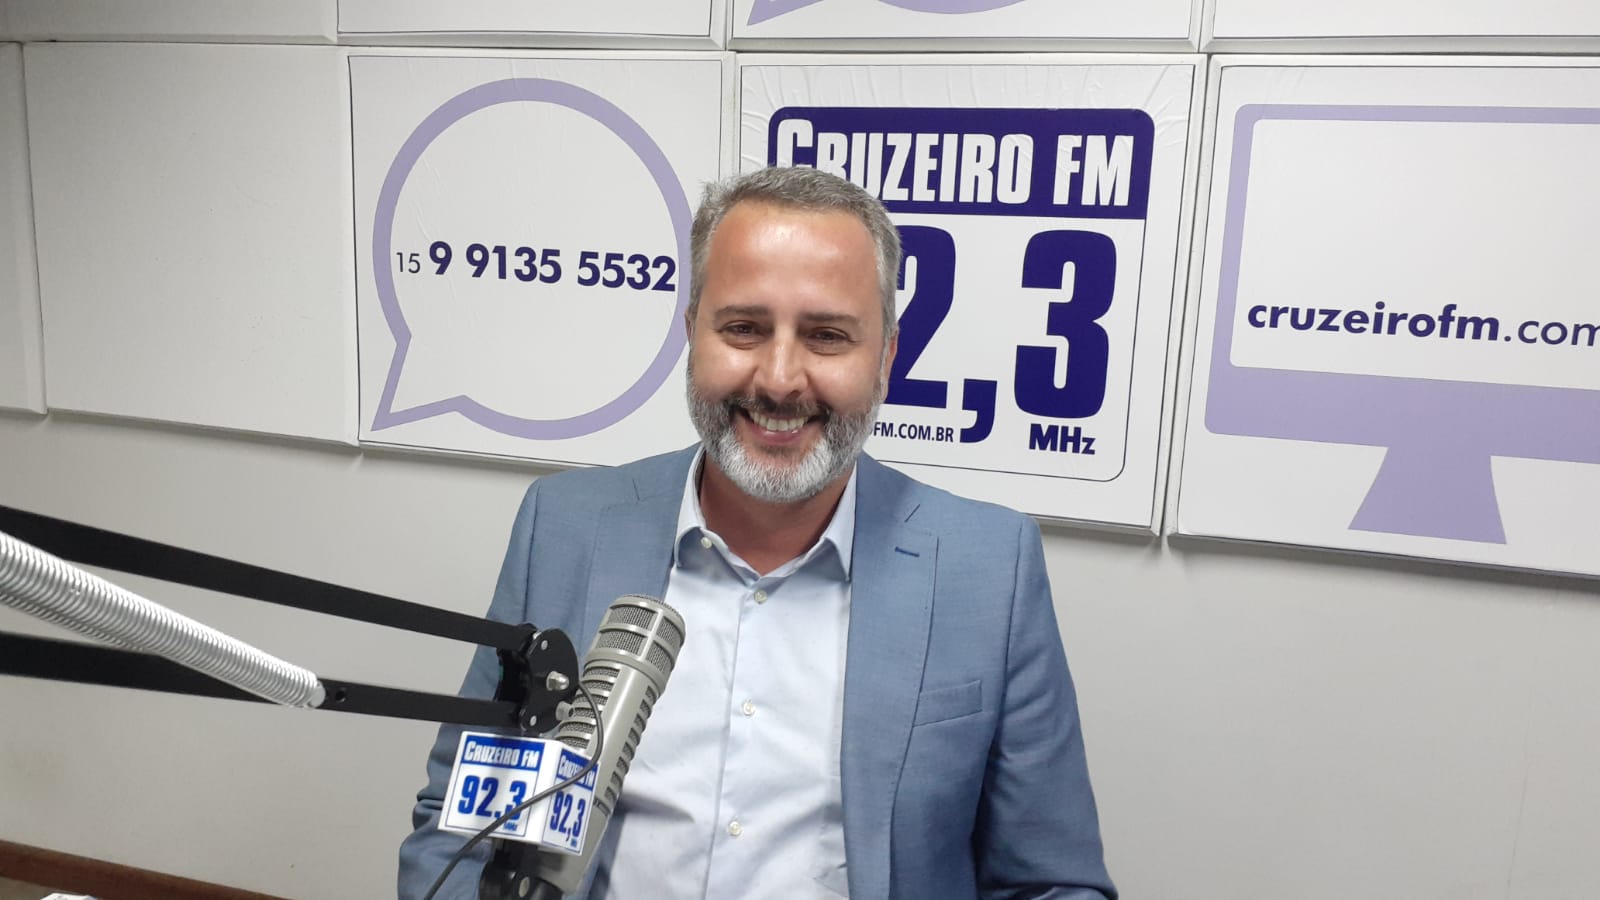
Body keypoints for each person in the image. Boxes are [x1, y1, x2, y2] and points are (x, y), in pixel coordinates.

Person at [397, 166, 1115, 899]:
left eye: (827, 336)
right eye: (743, 328)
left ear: (886, 360)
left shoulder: (988, 569)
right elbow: (457, 830)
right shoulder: (563, 526)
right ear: (691, 334)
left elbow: (1052, 883)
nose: (778, 379)